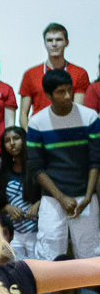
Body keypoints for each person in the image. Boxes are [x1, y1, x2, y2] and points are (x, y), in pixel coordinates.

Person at [27, 69, 100, 261]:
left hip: (85, 196)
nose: (68, 96)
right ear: (48, 95)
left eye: (70, 90)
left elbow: (96, 161)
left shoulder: (90, 117)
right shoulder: (37, 122)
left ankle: (90, 293)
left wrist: (87, 196)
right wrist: (61, 198)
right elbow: (36, 168)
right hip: (52, 198)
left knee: (90, 252)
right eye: (61, 92)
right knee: (50, 253)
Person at [19, 22, 90, 129]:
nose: (54, 44)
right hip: (40, 131)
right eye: (49, 40)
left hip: (68, 130)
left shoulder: (79, 73)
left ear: (66, 42)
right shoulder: (30, 74)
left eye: (59, 40)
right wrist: (31, 136)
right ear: (44, 43)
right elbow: (23, 113)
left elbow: (78, 109)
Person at [0, 126, 39, 259]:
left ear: (24, 140)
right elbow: (0, 204)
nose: (12, 143)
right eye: (7, 140)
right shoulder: (3, 171)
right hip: (16, 234)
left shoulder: (35, 166)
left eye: (16, 138)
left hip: (38, 231)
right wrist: (8, 208)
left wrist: (37, 205)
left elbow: (48, 194)